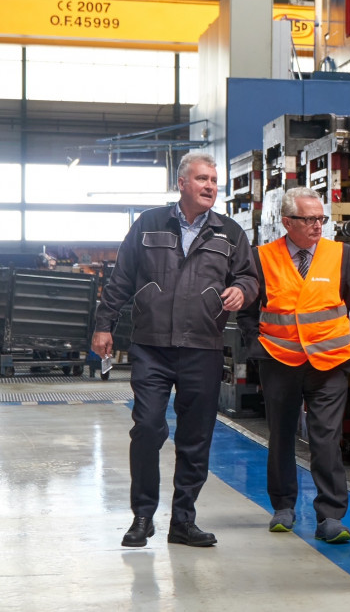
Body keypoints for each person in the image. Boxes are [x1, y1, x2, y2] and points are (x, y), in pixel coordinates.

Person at [92, 151, 258, 549]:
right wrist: (103, 325)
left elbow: (251, 278)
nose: (210, 187)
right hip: (151, 346)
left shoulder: (229, 232)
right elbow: (122, 278)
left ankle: (183, 519)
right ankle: (143, 516)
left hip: (202, 346)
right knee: (147, 428)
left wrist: (242, 290)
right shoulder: (149, 223)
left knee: (195, 437)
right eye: (202, 179)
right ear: (182, 183)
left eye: (214, 181)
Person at [238, 186, 350, 544]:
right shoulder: (261, 257)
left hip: (329, 362)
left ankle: (331, 516)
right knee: (281, 436)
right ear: (287, 222)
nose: (317, 225)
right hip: (280, 359)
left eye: (321, 218)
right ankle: (283, 508)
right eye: (308, 219)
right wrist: (257, 346)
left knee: (326, 439)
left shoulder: (341, 254)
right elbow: (248, 312)